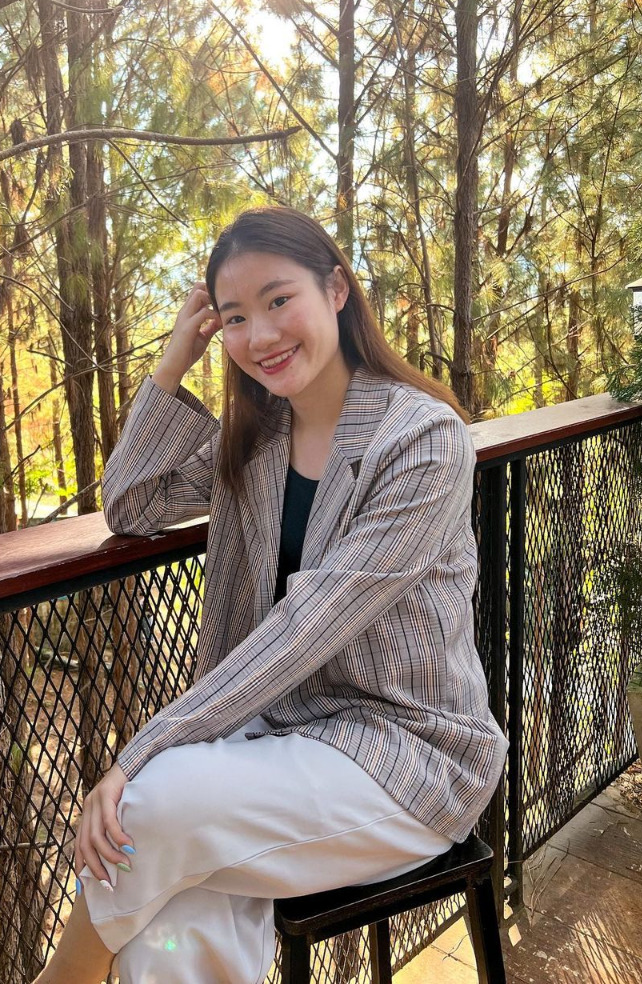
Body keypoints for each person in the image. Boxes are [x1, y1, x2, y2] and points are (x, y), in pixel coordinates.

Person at [33, 206, 508, 984]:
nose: (259, 335)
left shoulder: (421, 440)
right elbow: (133, 503)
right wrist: (171, 364)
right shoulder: (257, 441)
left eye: (279, 300)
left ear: (337, 292)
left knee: (150, 803)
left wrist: (145, 748)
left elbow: (309, 624)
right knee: (171, 918)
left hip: (409, 753)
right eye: (234, 317)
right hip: (280, 734)